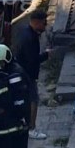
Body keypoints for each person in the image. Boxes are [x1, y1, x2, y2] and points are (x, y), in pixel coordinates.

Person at [13, 9, 52, 139]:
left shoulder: (24, 32)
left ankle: (23, 124)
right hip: (27, 74)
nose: (45, 26)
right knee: (33, 100)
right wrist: (46, 55)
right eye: (43, 23)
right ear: (37, 23)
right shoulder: (30, 38)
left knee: (24, 100)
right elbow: (33, 60)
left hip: (20, 72)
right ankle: (32, 128)